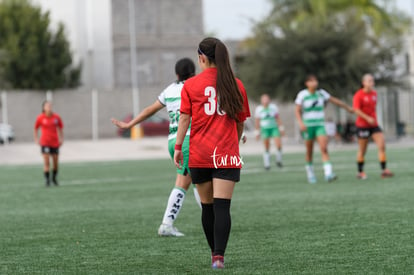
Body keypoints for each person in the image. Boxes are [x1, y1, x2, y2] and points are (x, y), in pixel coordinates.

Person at [173, 37, 250, 269]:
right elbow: (240, 121)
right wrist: (234, 143)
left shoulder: (191, 85)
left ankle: (213, 255)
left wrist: (178, 147)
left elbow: (184, 118)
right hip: (226, 154)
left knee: (207, 207)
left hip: (201, 154)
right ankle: (219, 256)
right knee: (222, 207)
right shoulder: (236, 84)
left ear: (202, 58)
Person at [111, 58, 201, 237]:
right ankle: (212, 221)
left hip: (173, 141)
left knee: (188, 183)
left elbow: (149, 110)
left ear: (176, 74)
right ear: (194, 73)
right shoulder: (195, 88)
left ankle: (169, 224)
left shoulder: (169, 90)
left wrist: (130, 124)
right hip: (189, 141)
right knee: (198, 183)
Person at [294, 74, 353, 183]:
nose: (314, 83)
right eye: (311, 81)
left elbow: (335, 101)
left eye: (315, 81)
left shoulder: (321, 93)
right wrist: (301, 123)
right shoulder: (302, 95)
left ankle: (328, 173)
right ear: (307, 83)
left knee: (324, 148)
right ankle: (310, 173)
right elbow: (297, 110)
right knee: (309, 150)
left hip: (320, 125)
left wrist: (347, 107)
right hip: (308, 126)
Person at [353, 74, 394, 179]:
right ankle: (360, 172)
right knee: (363, 149)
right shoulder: (358, 95)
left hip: (374, 125)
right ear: (364, 83)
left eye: (373, 81)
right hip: (362, 125)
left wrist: (373, 119)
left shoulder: (374, 94)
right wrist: (367, 118)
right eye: (370, 81)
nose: (372, 83)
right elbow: (356, 110)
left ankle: (384, 170)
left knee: (382, 145)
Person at [34, 101, 64, 187]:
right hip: (45, 142)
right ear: (43, 108)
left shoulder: (56, 117)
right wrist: (36, 139)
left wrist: (61, 139)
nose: (49, 107)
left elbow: (60, 128)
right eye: (47, 106)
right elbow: (35, 128)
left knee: (55, 163)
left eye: (50, 105)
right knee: (46, 162)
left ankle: (54, 178)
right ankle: (47, 180)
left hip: (55, 142)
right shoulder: (40, 118)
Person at [254, 94, 285, 169]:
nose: (265, 101)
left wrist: (281, 128)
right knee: (267, 146)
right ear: (261, 101)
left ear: (269, 100)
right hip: (265, 129)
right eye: (264, 99)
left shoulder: (273, 107)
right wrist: (257, 132)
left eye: (267, 99)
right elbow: (257, 121)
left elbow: (277, 118)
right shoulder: (259, 109)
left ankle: (279, 160)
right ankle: (267, 164)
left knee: (278, 145)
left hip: (274, 128)